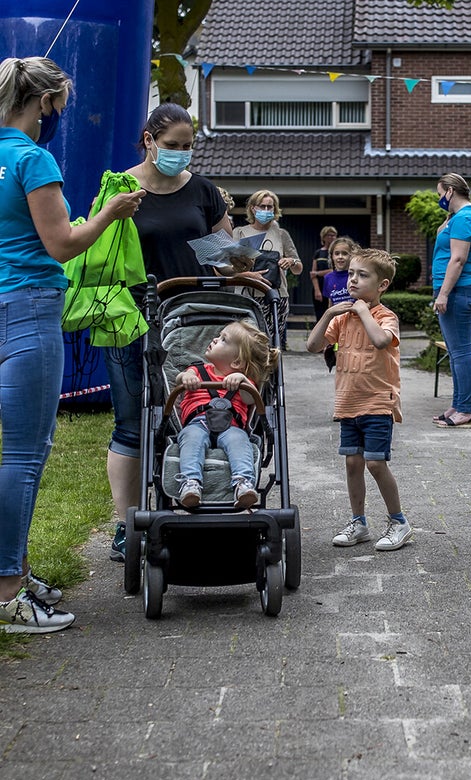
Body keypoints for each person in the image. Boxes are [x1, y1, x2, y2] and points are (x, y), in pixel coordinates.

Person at [0, 56, 144, 631]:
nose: (60, 115)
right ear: (45, 103)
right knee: (23, 455)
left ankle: (18, 570)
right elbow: (62, 244)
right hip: (30, 307)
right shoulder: (34, 159)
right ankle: (10, 591)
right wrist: (110, 211)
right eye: (60, 105)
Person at [106, 102, 234, 562]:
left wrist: (245, 263)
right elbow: (99, 251)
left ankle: (192, 497)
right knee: (132, 423)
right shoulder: (120, 189)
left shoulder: (202, 191)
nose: (181, 153)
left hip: (195, 319)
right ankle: (127, 526)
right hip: (133, 316)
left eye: (188, 146)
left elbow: (223, 254)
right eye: (172, 145)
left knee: (192, 413)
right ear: (149, 140)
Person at [306, 248, 413, 551]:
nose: (352, 279)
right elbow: (313, 346)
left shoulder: (385, 316)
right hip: (348, 402)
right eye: (351, 273)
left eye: (362, 275)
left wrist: (362, 310)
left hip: (378, 402)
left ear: (382, 285)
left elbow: (381, 341)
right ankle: (359, 522)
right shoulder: (341, 320)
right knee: (353, 464)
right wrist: (329, 313)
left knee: (376, 464)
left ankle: (399, 521)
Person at [175, 321, 278, 509]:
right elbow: (179, 378)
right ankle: (190, 483)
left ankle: (243, 483)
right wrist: (185, 378)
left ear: (236, 362)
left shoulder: (243, 382)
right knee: (191, 439)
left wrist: (243, 380)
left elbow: (249, 399)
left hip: (232, 426)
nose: (215, 339)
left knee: (239, 441)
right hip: (197, 423)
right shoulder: (196, 370)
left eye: (223, 339)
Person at [431, 172, 471, 429]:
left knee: (462, 352)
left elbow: (458, 259)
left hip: (458, 291)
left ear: (451, 192)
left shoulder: (465, 217)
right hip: (455, 290)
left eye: (441, 194)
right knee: (455, 352)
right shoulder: (458, 217)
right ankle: (458, 404)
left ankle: (465, 411)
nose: (439, 199)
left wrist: (443, 294)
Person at [233, 189, 302, 350]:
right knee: (246, 343)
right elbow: (228, 269)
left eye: (269, 207)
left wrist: (291, 261)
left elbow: (299, 268)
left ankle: (271, 374)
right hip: (247, 296)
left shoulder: (281, 234)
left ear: (275, 209)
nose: (266, 210)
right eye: (262, 206)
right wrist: (249, 275)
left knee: (271, 344)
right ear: (252, 208)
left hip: (276, 297)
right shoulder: (240, 232)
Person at [311, 225, 337, 320]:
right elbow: (312, 274)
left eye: (333, 235)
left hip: (333, 286)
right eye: (329, 235)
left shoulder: (337, 253)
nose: (331, 237)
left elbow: (334, 270)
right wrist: (317, 290)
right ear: (323, 237)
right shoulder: (318, 253)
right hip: (320, 286)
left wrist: (318, 273)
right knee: (320, 315)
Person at [323, 236, 356, 306]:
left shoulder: (356, 276)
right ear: (332, 256)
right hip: (337, 316)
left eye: (344, 253)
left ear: (352, 255)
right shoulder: (328, 278)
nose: (340, 257)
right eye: (337, 253)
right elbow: (330, 302)